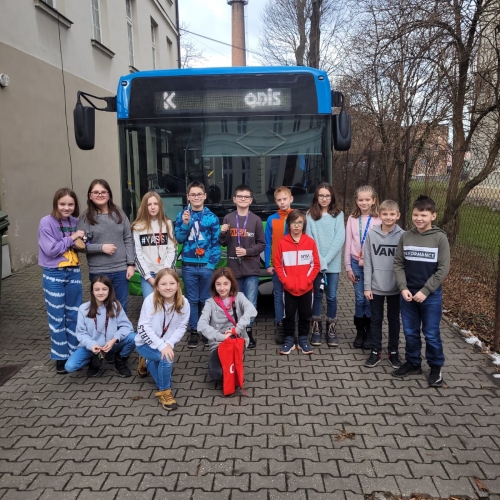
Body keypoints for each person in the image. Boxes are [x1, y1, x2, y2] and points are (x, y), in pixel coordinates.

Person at [393, 195, 450, 387]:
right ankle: (413, 362)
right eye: (416, 214)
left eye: (424, 215)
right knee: (410, 332)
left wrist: (426, 291)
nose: (419, 218)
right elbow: (398, 263)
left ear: (433, 216)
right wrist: (403, 287)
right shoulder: (406, 236)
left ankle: (435, 368)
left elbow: (443, 269)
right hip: (408, 294)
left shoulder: (440, 238)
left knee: (431, 333)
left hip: (430, 296)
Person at [38, 188, 85, 374]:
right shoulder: (46, 222)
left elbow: (83, 244)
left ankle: (74, 354)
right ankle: (60, 356)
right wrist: (73, 237)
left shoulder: (76, 222)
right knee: (57, 317)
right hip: (53, 274)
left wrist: (84, 240)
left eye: (70, 204)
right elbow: (51, 250)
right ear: (56, 204)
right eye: (62, 204)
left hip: (73, 272)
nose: (67, 208)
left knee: (74, 314)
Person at [174, 181, 221, 349]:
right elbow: (179, 238)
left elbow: (216, 244)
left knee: (207, 299)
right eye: (193, 194)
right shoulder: (182, 215)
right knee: (192, 300)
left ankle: (206, 329)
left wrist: (211, 264)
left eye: (199, 194)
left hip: (206, 266)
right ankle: (194, 330)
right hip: (189, 265)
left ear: (205, 196)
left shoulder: (212, 218)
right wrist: (185, 224)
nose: (196, 197)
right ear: (188, 197)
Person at [135, 269, 190, 410]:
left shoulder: (184, 303)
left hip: (165, 344)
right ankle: (165, 392)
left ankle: (147, 361)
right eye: (163, 284)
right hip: (145, 343)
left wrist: (169, 344)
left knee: (165, 361)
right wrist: (161, 346)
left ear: (178, 285)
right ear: (157, 286)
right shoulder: (150, 300)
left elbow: (182, 327)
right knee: (167, 360)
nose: (168, 287)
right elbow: (143, 327)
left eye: (172, 283)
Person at [77, 179, 135, 313]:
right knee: (101, 307)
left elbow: (128, 238)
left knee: (120, 306)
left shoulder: (119, 213)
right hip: (99, 271)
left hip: (121, 270)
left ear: (109, 195)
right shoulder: (85, 218)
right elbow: (79, 246)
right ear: (90, 196)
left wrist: (131, 264)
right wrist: (101, 248)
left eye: (103, 192)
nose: (100, 195)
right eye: (96, 192)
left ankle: (119, 328)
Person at [219, 185, 265, 349]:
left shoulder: (256, 220)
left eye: (246, 197)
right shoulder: (228, 218)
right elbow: (223, 243)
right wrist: (222, 233)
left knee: (250, 302)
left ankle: (248, 331)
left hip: (251, 269)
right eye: (240, 196)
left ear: (251, 200)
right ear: (234, 199)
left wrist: (247, 251)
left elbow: (262, 244)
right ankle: (238, 330)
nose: (243, 199)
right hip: (233, 270)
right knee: (235, 302)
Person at [65, 276, 136, 377]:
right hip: (92, 347)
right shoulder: (83, 308)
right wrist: (92, 345)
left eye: (104, 289)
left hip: (111, 344)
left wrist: (114, 339)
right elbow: (81, 333)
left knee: (134, 337)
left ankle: (120, 360)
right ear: (92, 291)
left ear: (109, 290)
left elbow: (127, 327)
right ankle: (93, 360)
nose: (100, 292)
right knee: (70, 366)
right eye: (97, 289)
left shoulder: (116, 305)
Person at [363, 200, 404, 368]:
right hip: (376, 287)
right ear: (379, 215)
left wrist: (403, 286)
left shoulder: (403, 236)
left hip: (396, 288)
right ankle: (376, 351)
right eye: (385, 214)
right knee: (376, 320)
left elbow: (404, 263)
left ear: (398, 216)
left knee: (394, 320)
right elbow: (367, 262)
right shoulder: (371, 235)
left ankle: (393, 352)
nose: (388, 217)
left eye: (392, 214)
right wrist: (367, 286)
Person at [197, 267, 257, 381]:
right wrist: (222, 337)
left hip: (237, 339)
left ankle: (237, 358)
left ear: (231, 284)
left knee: (233, 373)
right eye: (218, 284)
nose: (222, 288)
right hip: (219, 343)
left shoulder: (239, 297)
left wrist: (237, 329)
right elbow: (201, 325)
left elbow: (252, 311)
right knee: (217, 374)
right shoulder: (210, 303)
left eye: (226, 283)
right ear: (214, 285)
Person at [274, 209, 320, 355]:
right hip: (289, 288)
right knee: (289, 315)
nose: (296, 225)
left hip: (306, 288)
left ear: (304, 224)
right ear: (289, 224)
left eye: (300, 222)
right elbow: (278, 265)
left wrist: (308, 280)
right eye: (293, 222)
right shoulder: (282, 243)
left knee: (305, 314)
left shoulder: (310, 242)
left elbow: (316, 265)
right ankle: (289, 340)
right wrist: (285, 281)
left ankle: (303, 339)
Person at [306, 183, 345, 347]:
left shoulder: (339, 215)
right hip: (316, 264)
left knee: (332, 296)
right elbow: (310, 239)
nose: (324, 198)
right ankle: (316, 328)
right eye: (321, 195)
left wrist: (326, 260)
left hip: (332, 264)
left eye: (327, 196)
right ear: (316, 197)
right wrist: (320, 261)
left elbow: (340, 238)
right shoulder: (310, 215)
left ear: (332, 197)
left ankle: (331, 329)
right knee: (317, 295)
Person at [344, 185, 381, 348]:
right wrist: (348, 267)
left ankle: (370, 332)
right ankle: (360, 332)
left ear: (373, 201)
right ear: (356, 201)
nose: (364, 202)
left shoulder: (379, 219)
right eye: (361, 200)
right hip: (355, 263)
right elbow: (348, 243)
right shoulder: (352, 219)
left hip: (373, 265)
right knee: (360, 298)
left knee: (369, 298)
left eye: (367, 199)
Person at [132, 191, 177, 298]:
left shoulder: (167, 223)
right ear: (144, 206)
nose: (153, 207)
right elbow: (137, 254)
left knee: (167, 303)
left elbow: (172, 249)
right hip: (148, 274)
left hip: (165, 272)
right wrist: (148, 277)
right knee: (150, 303)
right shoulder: (137, 227)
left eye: (155, 204)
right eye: (149, 204)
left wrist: (166, 273)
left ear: (160, 205)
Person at [264, 186, 294, 344]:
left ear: (291, 199)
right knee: (278, 294)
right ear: (275, 202)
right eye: (279, 200)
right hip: (277, 264)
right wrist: (268, 264)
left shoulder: (298, 217)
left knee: (293, 294)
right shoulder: (271, 219)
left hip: (294, 265)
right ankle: (280, 323)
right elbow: (268, 243)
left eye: (285, 199)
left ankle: (292, 324)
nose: (282, 202)